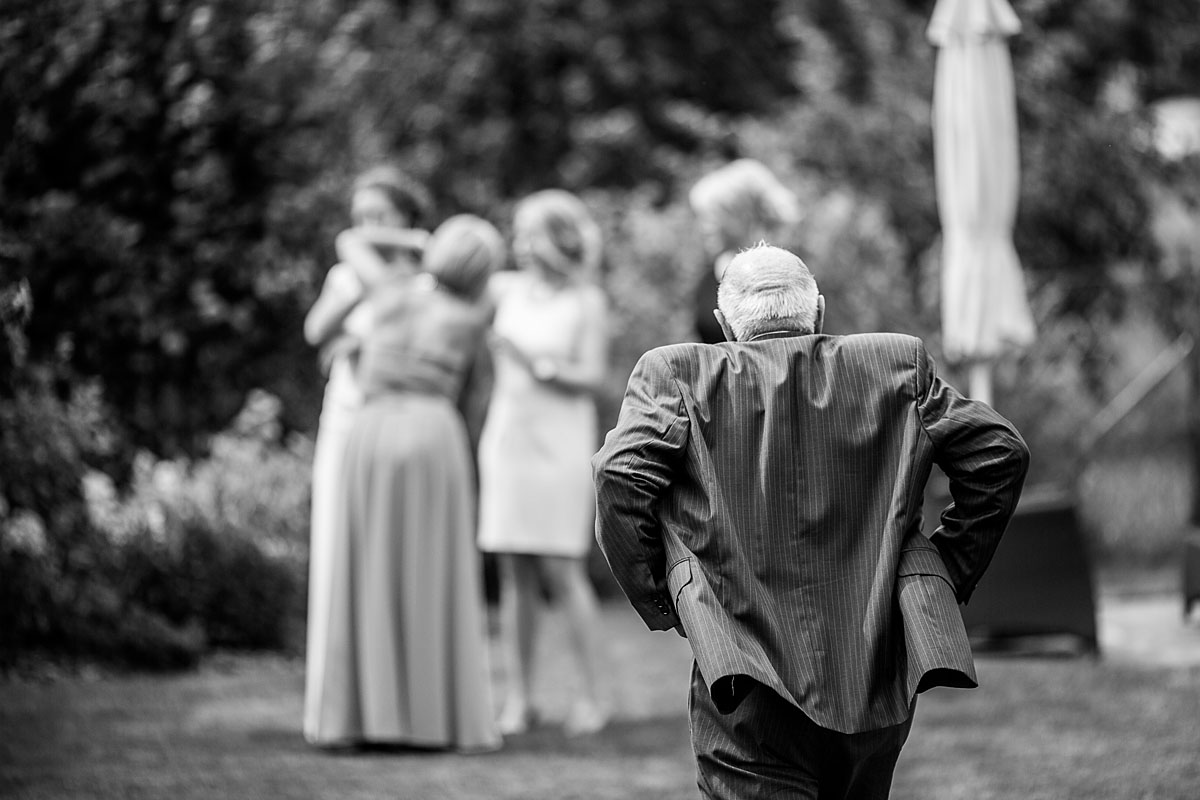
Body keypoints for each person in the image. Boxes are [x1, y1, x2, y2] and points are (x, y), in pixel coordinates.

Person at [593, 244, 1029, 798]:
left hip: (745, 668)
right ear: (818, 312)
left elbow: (620, 474)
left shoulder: (676, 374)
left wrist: (661, 594)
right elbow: (1000, 454)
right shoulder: (892, 364)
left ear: (726, 326)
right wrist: (942, 569)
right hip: (874, 664)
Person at [308, 214, 507, 751]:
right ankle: (430, 720)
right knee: (431, 569)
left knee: (365, 565)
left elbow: (349, 237)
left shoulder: (389, 288)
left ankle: (361, 718)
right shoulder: (474, 314)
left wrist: (414, 242)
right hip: (431, 435)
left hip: (369, 433)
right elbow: (478, 393)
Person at [301, 166, 432, 745]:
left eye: (383, 216)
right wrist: (351, 330)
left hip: (403, 426)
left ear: (408, 219)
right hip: (348, 420)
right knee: (339, 550)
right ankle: (341, 707)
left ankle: (402, 704)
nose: (370, 228)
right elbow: (317, 336)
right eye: (361, 219)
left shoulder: (429, 279)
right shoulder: (345, 275)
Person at [476, 189, 611, 736]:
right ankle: (520, 699)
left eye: (529, 234)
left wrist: (539, 364)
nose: (519, 244)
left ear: (557, 239)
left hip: (558, 445)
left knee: (561, 570)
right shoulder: (503, 289)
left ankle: (594, 696)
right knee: (513, 572)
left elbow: (595, 378)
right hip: (507, 440)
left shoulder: (586, 301)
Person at [687, 159, 801, 343]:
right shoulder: (708, 279)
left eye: (711, 218)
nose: (704, 228)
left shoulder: (789, 277)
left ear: (742, 216)